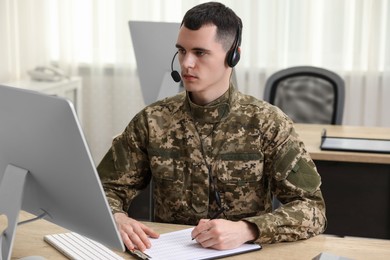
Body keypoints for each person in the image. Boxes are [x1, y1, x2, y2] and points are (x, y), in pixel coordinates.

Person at [98, 1, 326, 252]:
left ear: (233, 55)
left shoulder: (266, 122)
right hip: (167, 255)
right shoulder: (152, 120)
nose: (186, 63)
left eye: (200, 52)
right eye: (182, 51)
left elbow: (311, 208)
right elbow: (104, 189)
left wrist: (247, 229)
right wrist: (116, 217)